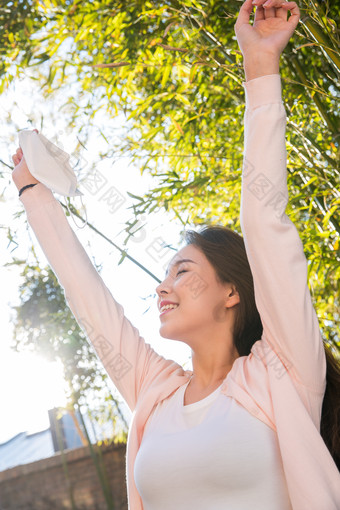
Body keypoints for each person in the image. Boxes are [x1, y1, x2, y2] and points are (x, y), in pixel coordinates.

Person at [11, 0, 340, 508]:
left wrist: (260, 67)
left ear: (233, 290)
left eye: (182, 271)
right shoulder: (154, 393)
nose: (162, 287)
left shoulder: (281, 374)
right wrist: (34, 193)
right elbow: (89, 299)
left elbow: (263, 224)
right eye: (166, 274)